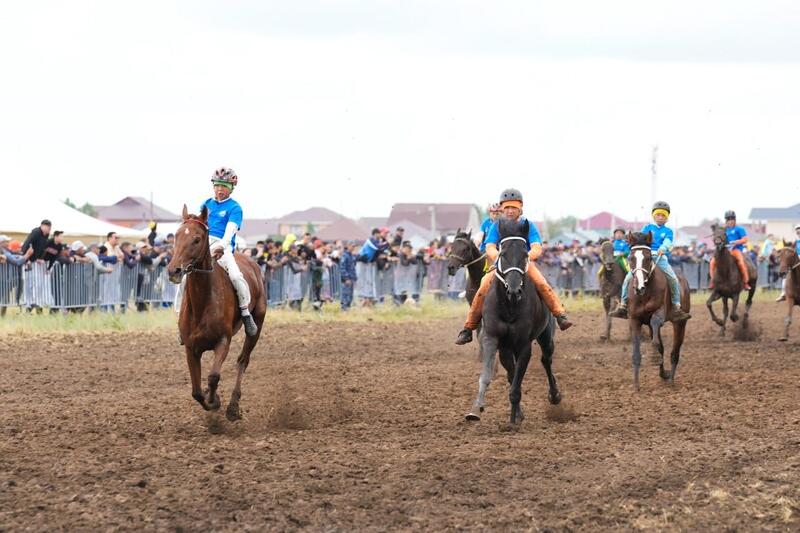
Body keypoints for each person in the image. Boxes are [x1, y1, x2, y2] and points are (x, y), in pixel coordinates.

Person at [455, 188, 574, 345]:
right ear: (502, 209)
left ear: (520, 208)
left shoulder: (528, 225)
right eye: (507, 208)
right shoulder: (496, 226)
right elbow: (490, 246)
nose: (510, 211)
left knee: (541, 283)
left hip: (523, 264)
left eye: (513, 207)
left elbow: (537, 247)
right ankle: (468, 328)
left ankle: (560, 315)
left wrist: (526, 257)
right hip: (502, 265)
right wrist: (498, 257)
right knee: (483, 285)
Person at [176, 167, 257, 336]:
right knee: (184, 279)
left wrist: (222, 246)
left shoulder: (235, 208)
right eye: (217, 185)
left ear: (231, 187)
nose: (220, 189)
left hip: (222, 247)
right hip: (202, 246)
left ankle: (245, 313)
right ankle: (180, 319)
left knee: (236, 276)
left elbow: (231, 230)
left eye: (224, 186)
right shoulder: (206, 204)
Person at [609, 201, 692, 321]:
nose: (660, 217)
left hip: (660, 257)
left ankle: (676, 307)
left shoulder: (668, 231)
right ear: (654, 216)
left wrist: (663, 247)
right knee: (628, 278)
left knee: (673, 278)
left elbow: (668, 242)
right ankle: (623, 305)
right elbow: (639, 238)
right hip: (644, 256)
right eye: (658, 215)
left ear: (666, 218)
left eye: (663, 215)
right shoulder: (647, 228)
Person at [709, 210, 750, 290]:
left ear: (735, 220)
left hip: (736, 250)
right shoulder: (723, 229)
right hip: (724, 251)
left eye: (732, 219)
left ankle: (745, 282)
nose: (730, 221)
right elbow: (717, 237)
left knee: (741, 263)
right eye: (728, 219)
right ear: (726, 220)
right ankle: (713, 281)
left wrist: (736, 242)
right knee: (712, 262)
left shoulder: (739, 229)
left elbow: (745, 239)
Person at [776, 223, 800, 302]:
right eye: (797, 230)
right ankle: (783, 293)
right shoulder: (795, 242)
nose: (798, 231)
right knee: (786, 276)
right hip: (796, 262)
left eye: (799, 230)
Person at [340, 241, 357, 310]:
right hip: (347, 279)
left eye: (354, 246)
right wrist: (346, 278)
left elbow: (353, 267)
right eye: (352, 246)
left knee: (350, 295)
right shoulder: (345, 255)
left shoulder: (351, 256)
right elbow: (342, 268)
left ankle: (348, 307)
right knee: (345, 293)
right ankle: (344, 308)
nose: (353, 248)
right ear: (348, 246)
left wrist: (354, 277)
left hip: (351, 278)